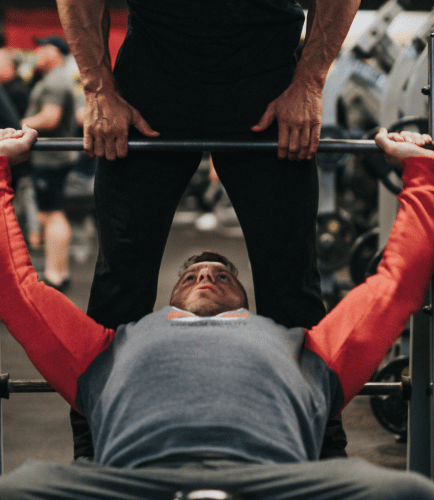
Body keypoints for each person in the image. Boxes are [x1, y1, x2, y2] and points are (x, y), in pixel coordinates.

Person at [0, 124, 434, 499]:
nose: (206, 277)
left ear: (251, 306)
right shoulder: (106, 349)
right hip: (127, 483)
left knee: (416, 494)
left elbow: (395, 286)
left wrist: (419, 169)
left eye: (221, 276)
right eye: (191, 277)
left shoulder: (307, 349)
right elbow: (14, 288)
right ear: (168, 302)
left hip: (280, 482)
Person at [57, 0, 364, 460]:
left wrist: (310, 82)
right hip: (154, 74)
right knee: (120, 277)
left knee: (291, 280)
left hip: (265, 74)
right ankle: (95, 447)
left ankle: (320, 449)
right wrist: (99, 90)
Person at [21, 36, 79, 290]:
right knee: (50, 214)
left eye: (42, 48)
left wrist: (18, 126)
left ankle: (56, 275)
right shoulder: (54, 78)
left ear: (55, 52)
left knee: (51, 215)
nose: (37, 52)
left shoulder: (55, 81)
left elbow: (50, 118)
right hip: (51, 158)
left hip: (51, 159)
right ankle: (58, 271)